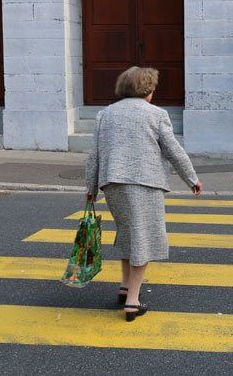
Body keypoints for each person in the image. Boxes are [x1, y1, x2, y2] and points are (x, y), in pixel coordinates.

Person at [85, 66, 202, 322]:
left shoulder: (105, 115)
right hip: (145, 183)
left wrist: (91, 187)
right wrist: (191, 178)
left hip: (112, 183)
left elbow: (94, 154)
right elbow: (174, 151)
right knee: (143, 240)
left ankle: (125, 287)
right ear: (148, 90)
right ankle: (133, 301)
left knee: (129, 234)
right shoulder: (156, 114)